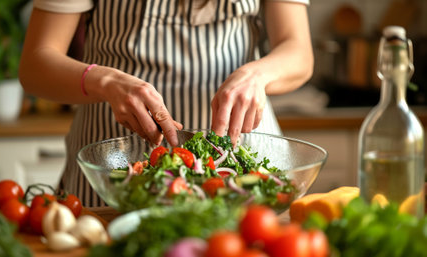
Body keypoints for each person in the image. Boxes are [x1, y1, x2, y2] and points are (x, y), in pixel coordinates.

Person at [19, 0, 313, 207]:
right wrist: (105, 82)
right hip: (114, 164)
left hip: (238, 161)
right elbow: (36, 63)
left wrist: (258, 74)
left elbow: (298, 51)